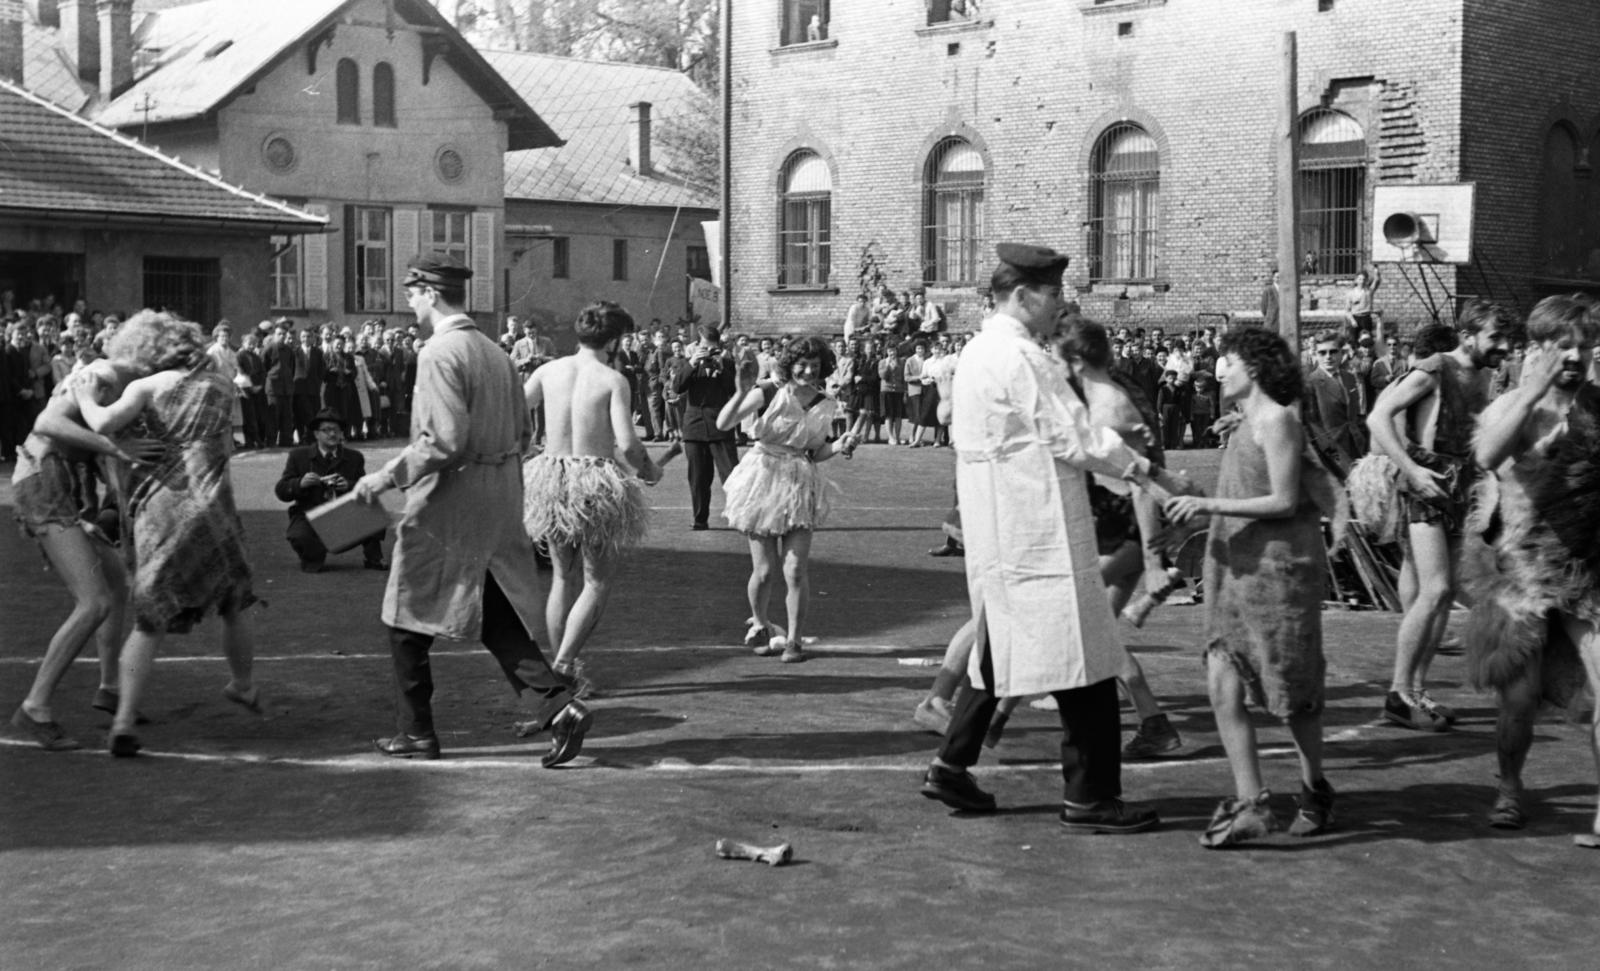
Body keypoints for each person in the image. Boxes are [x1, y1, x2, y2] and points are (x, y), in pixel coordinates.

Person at [917, 243, 1160, 834]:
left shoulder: (975, 351)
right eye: (1053, 295)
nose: (1061, 305)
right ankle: (1090, 796)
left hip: (1000, 526)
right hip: (1039, 527)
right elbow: (1074, 438)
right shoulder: (1025, 356)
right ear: (1024, 295)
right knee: (1086, 656)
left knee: (998, 648)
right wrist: (1148, 471)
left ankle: (951, 764)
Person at [352, 254, 590, 766]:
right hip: (500, 493)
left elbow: (443, 441)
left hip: (450, 501)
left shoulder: (439, 352)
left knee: (404, 616)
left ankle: (416, 733)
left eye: (412, 292)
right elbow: (525, 434)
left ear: (430, 293)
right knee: (491, 610)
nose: (409, 302)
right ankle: (557, 704)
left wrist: (384, 476)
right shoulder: (494, 352)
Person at [1166, 328, 1343, 847]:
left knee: (1293, 694)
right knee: (1224, 684)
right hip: (1237, 572)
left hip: (1279, 575)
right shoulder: (1250, 421)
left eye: (1232, 361)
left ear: (1257, 369)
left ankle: (1314, 788)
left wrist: (1208, 507)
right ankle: (1253, 803)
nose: (1224, 369)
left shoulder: (1279, 420)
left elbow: (1285, 500)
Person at [71, 312, 263, 757]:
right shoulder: (222, 385)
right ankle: (243, 683)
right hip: (214, 505)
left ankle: (122, 720)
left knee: (149, 620)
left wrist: (84, 396)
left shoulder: (146, 387)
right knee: (235, 603)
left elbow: (101, 424)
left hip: (162, 510)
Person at [1465, 294, 1600, 838]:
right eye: (1562, 346)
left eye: (1584, 346)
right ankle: (1509, 787)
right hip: (1520, 574)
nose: (1575, 356)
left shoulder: (1597, 406)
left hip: (1587, 573)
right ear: (1538, 350)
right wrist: (1536, 392)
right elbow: (1486, 457)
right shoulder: (1513, 407)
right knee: (1518, 702)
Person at [1366, 299, 1511, 731]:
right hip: (1425, 487)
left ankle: (1417, 690)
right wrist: (1411, 470)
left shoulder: (1484, 374)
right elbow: (1378, 418)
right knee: (1438, 589)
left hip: (1457, 487)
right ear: (1468, 336)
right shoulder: (1433, 368)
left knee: (1432, 593)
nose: (1503, 347)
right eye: (1495, 338)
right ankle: (1398, 692)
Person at [9, 355, 162, 749]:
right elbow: (47, 424)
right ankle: (34, 708)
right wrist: (115, 447)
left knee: (115, 582)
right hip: (44, 481)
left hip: (61, 486)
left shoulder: (127, 390)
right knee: (93, 602)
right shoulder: (102, 377)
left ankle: (110, 687)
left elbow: (109, 467)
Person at [523, 302, 663, 696]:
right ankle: (566, 665)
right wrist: (650, 472)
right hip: (593, 483)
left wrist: (530, 448)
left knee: (562, 578)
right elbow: (629, 445)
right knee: (597, 581)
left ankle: (560, 664)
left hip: (552, 476)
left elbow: (517, 414)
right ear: (615, 339)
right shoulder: (612, 379)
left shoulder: (548, 370)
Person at [717, 336, 858, 664]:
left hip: (800, 483)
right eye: (802, 364)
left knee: (794, 569)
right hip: (762, 479)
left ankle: (794, 640)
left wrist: (841, 445)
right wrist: (740, 391)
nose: (808, 371)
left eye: (815, 366)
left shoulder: (826, 401)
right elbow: (724, 424)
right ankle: (761, 624)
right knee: (764, 571)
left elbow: (817, 451)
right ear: (789, 364)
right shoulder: (767, 391)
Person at [273, 408, 386, 573]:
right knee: (299, 537)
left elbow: (365, 489)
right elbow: (281, 491)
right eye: (326, 430)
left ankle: (374, 557)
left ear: (341, 433)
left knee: (373, 508)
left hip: (342, 513)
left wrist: (348, 485)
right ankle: (313, 555)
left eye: (336, 430)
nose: (332, 434)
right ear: (316, 434)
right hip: (309, 514)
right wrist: (300, 483)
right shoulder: (298, 456)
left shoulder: (354, 457)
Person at [673, 324, 740, 531]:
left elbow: (734, 390)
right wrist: (693, 363)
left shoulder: (727, 363)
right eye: (704, 347)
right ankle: (700, 519)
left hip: (721, 426)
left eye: (712, 348)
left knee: (732, 476)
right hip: (695, 427)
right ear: (696, 345)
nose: (708, 352)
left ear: (718, 346)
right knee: (698, 478)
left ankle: (741, 516)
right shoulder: (688, 363)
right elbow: (677, 387)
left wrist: (721, 369)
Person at [1304, 335, 1367, 478]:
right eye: (1322, 352)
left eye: (1333, 352)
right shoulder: (1311, 382)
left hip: (1355, 445)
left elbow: (1353, 414)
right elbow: (1313, 426)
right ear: (1315, 354)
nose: (1328, 357)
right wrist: (1335, 456)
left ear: (1341, 354)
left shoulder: (1349, 377)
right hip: (1331, 453)